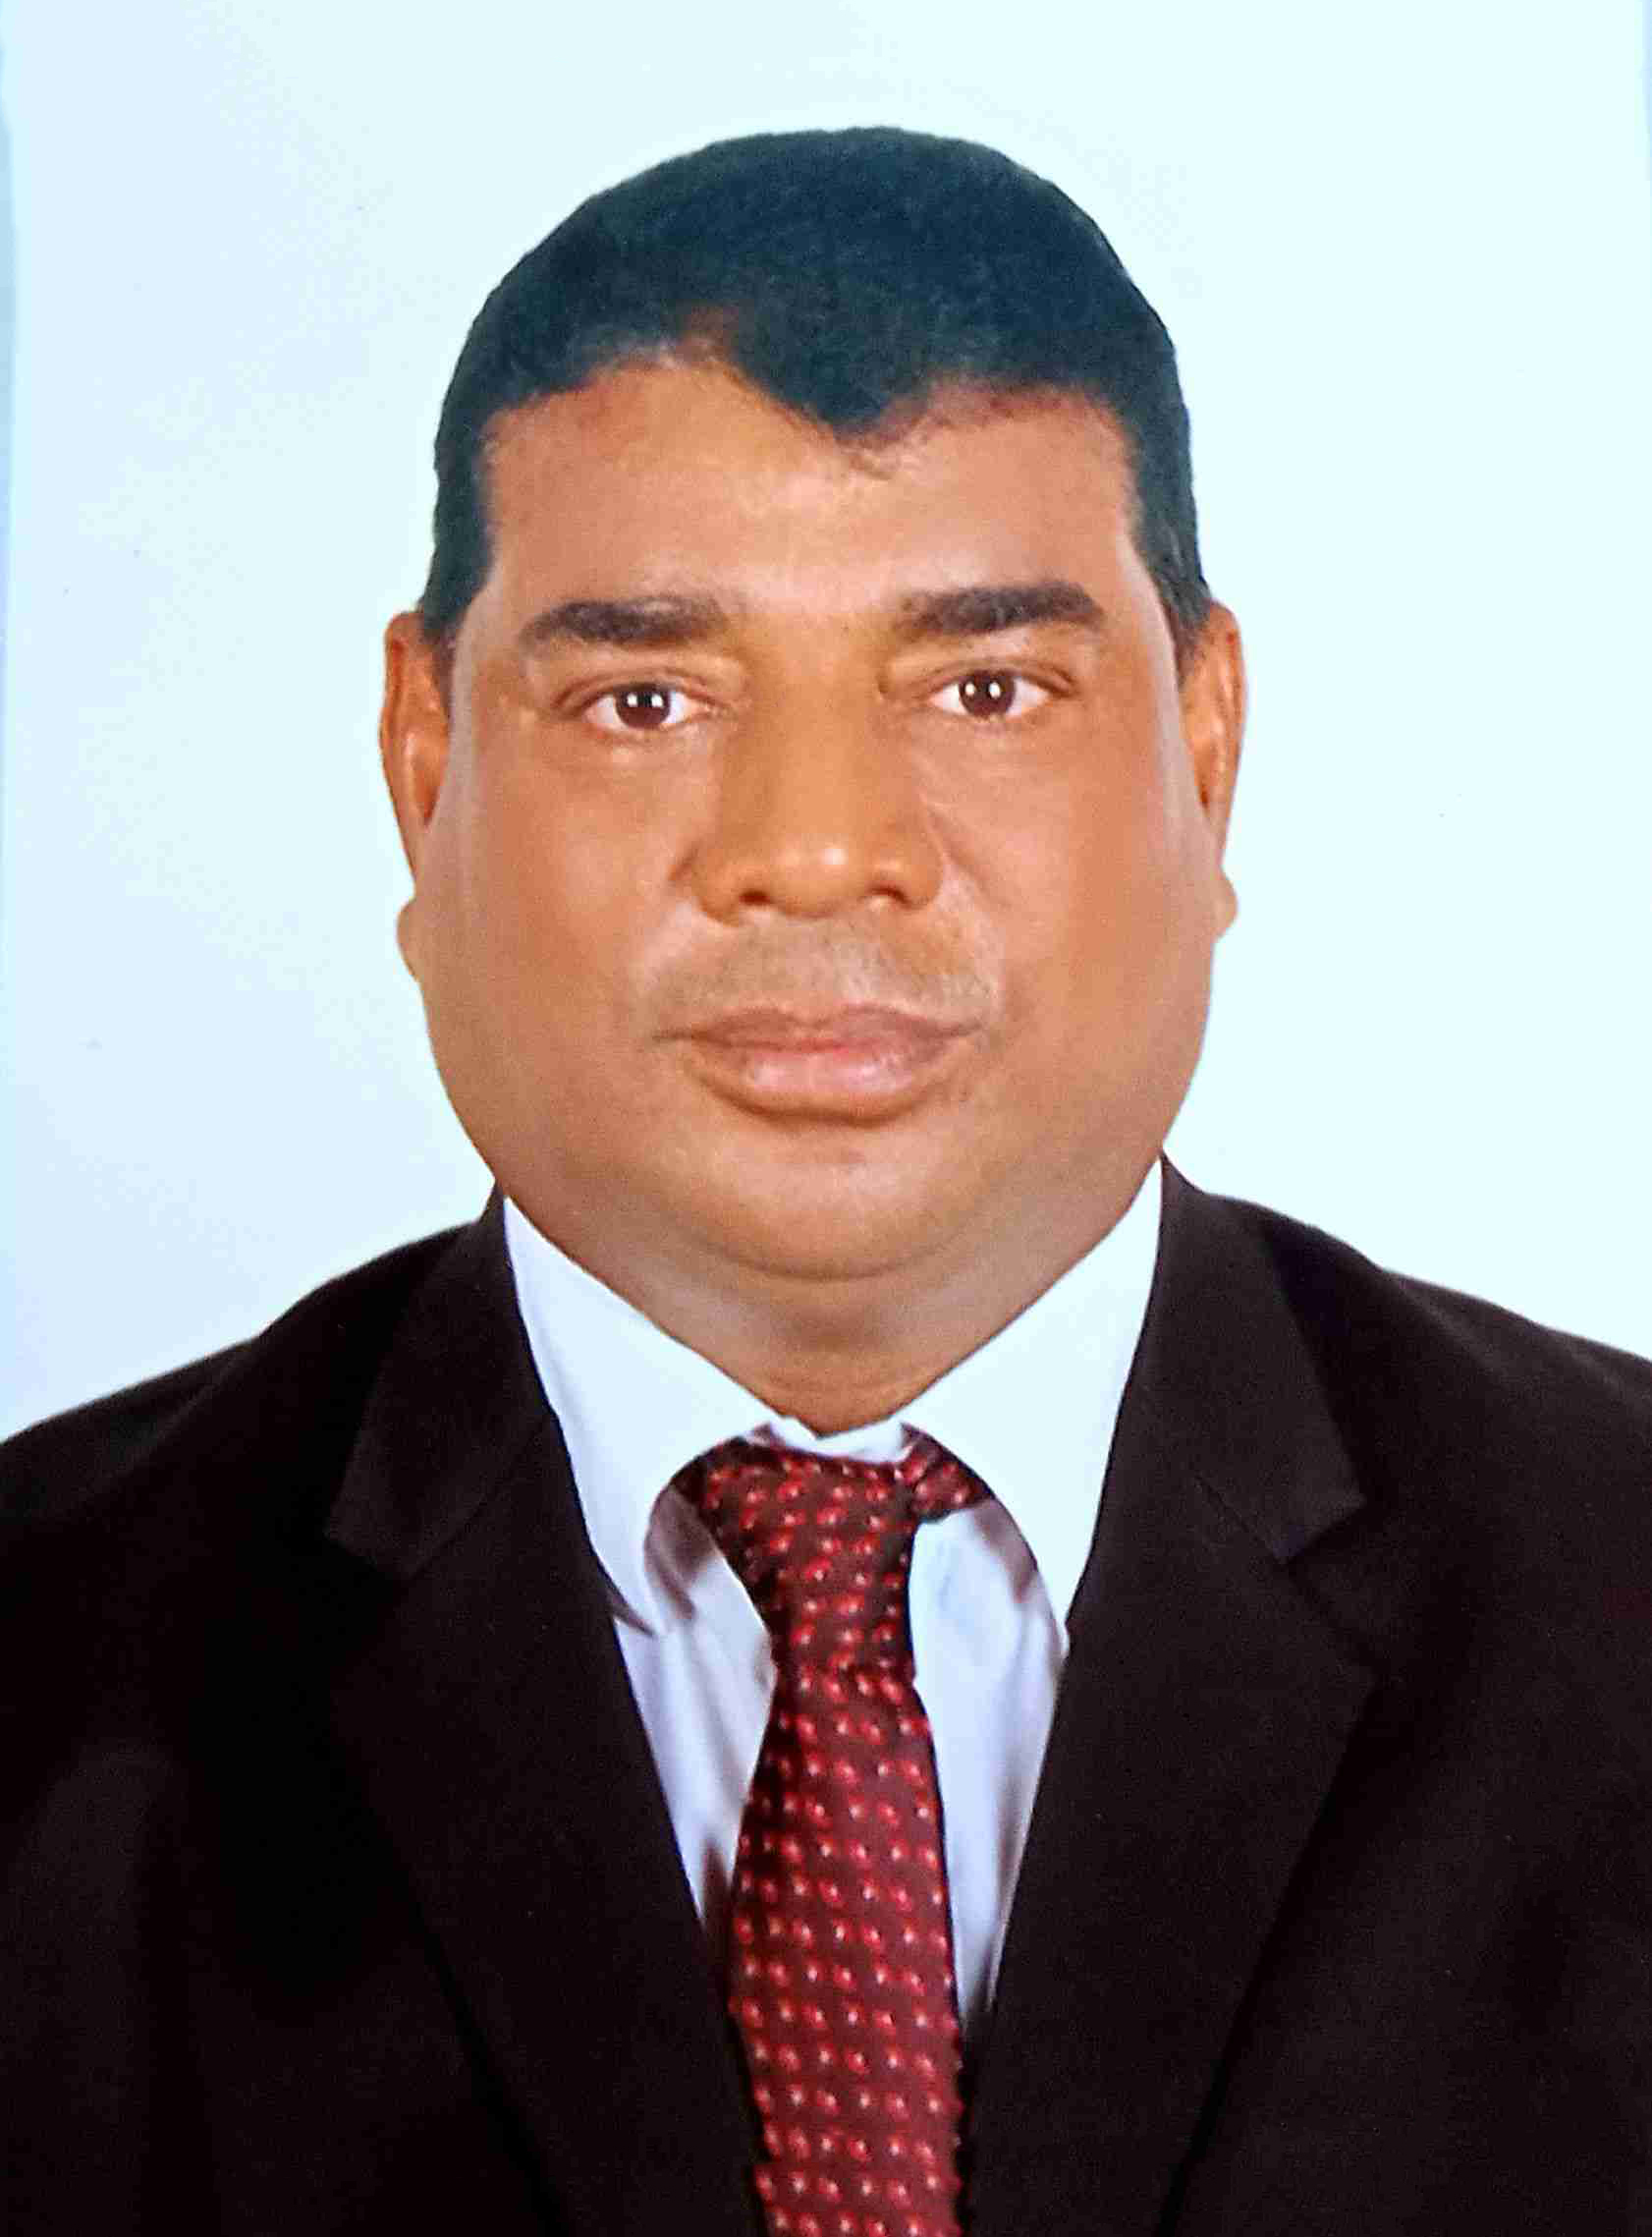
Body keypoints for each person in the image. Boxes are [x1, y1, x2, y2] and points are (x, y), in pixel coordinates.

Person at [2, 126, 1648, 2237]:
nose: (814, 848)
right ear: (423, 769)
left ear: (1205, 743)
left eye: (984, 686)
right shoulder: (40, 1679)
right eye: (646, 697)